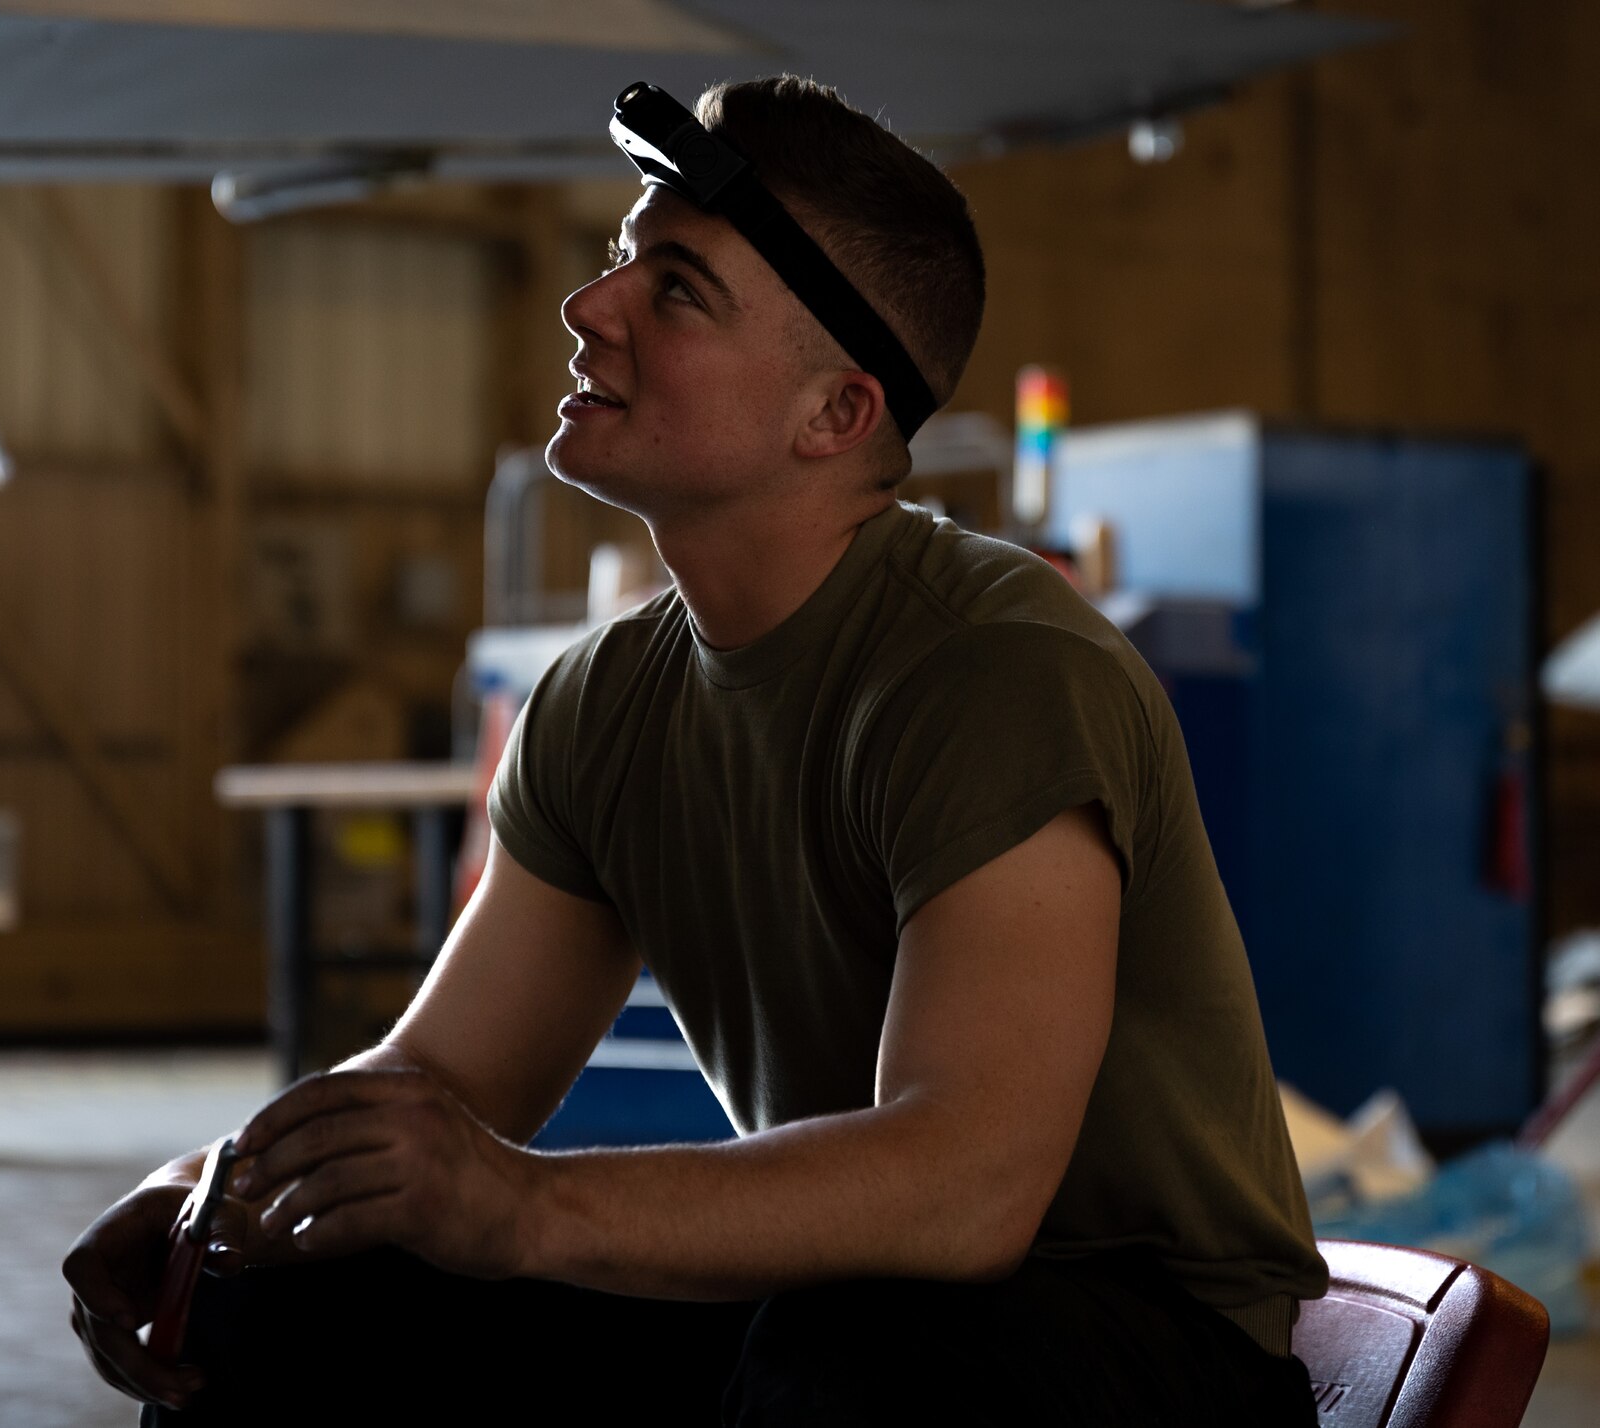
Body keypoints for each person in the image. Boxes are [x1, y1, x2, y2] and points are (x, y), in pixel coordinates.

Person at [66, 74, 1326, 1426]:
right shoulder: (605, 703)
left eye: (676, 289)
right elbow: (440, 1080)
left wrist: (530, 1205)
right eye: (622, 260)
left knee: (860, 1363)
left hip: (1141, 1351)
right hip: (842, 1306)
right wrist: (222, 1185)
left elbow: (966, 1189)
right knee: (295, 1298)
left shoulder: (995, 668)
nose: (587, 308)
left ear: (837, 415)